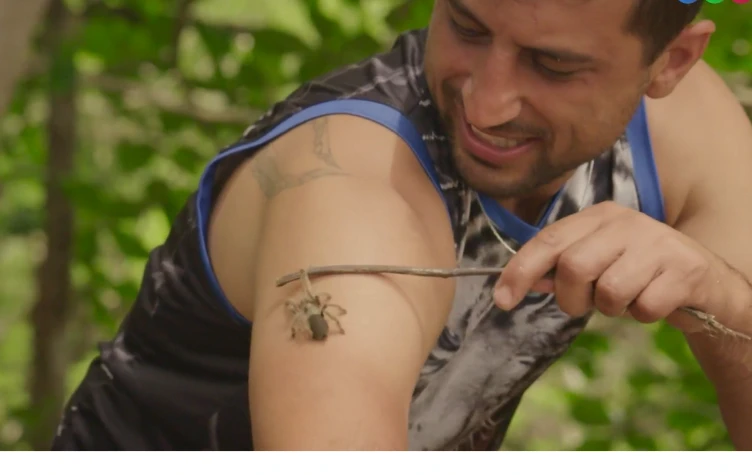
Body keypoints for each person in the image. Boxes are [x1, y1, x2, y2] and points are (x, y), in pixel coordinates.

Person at [52, 0, 752, 451]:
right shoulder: (355, 199)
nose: (487, 104)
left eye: (553, 66)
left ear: (671, 62)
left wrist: (719, 296)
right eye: (468, 28)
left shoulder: (684, 134)